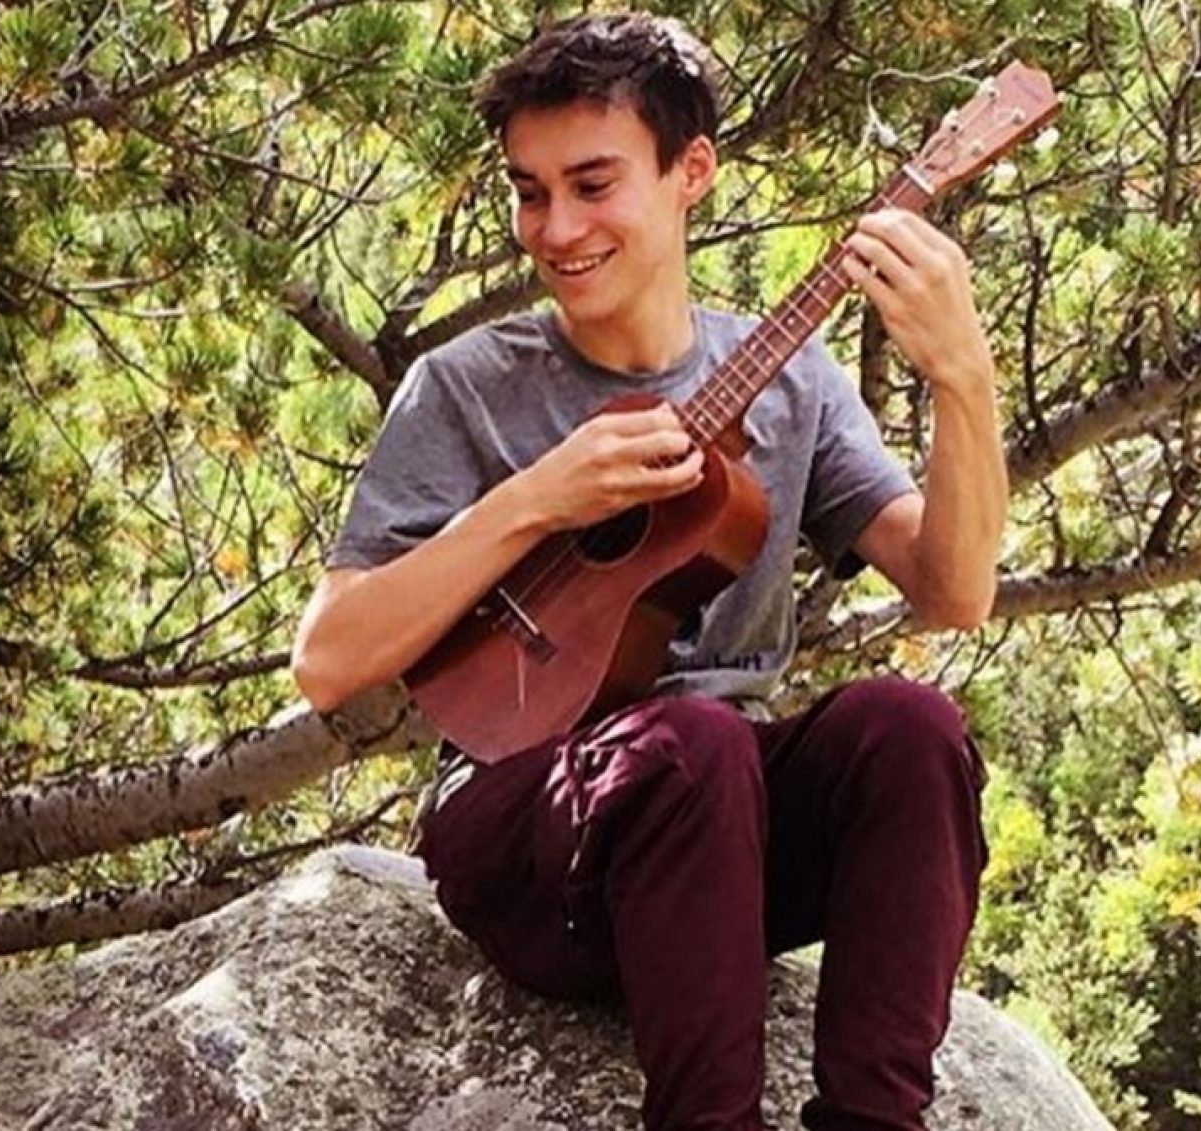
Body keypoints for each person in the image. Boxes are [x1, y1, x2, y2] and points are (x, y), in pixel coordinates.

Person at [290, 12, 1007, 1131]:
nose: (555, 228)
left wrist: (963, 378)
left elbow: (954, 591)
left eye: (592, 183)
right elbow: (331, 662)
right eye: (530, 191)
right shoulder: (466, 387)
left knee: (910, 728)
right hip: (534, 837)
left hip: (723, 845)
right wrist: (537, 498)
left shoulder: (795, 382)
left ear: (693, 173)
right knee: (696, 745)